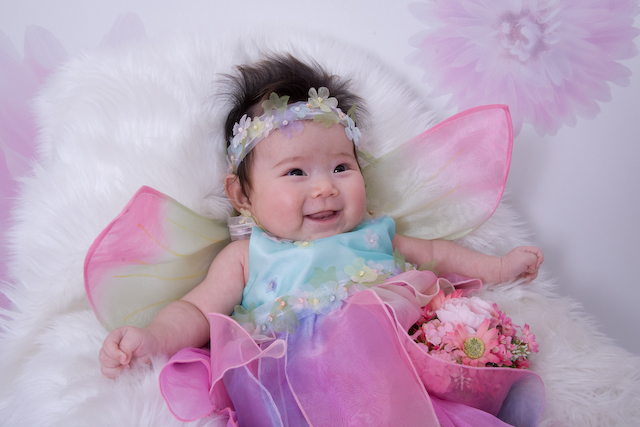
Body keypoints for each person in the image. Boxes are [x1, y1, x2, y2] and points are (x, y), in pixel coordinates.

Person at [99, 55, 544, 426]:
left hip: (396, 380)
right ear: (242, 196)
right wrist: (153, 338)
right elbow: (197, 310)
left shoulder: (373, 234)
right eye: (295, 172)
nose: (325, 188)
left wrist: (497, 267)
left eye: (341, 168)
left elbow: (435, 254)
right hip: (298, 387)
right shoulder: (247, 255)